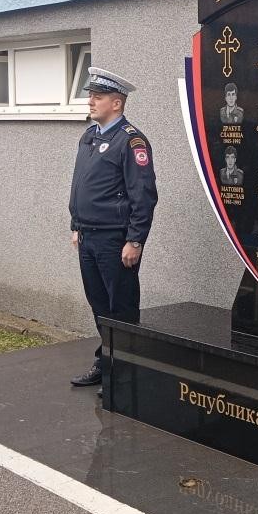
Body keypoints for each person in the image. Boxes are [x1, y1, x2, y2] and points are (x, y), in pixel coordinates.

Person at [68, 67, 158, 388]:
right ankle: (106, 360)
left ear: (117, 103)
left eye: (98, 97)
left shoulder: (131, 141)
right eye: (91, 96)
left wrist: (135, 240)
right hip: (87, 237)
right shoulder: (89, 136)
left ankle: (124, 374)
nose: (90, 101)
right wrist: (76, 224)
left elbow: (143, 195)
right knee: (99, 305)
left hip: (114, 240)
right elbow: (81, 185)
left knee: (120, 307)